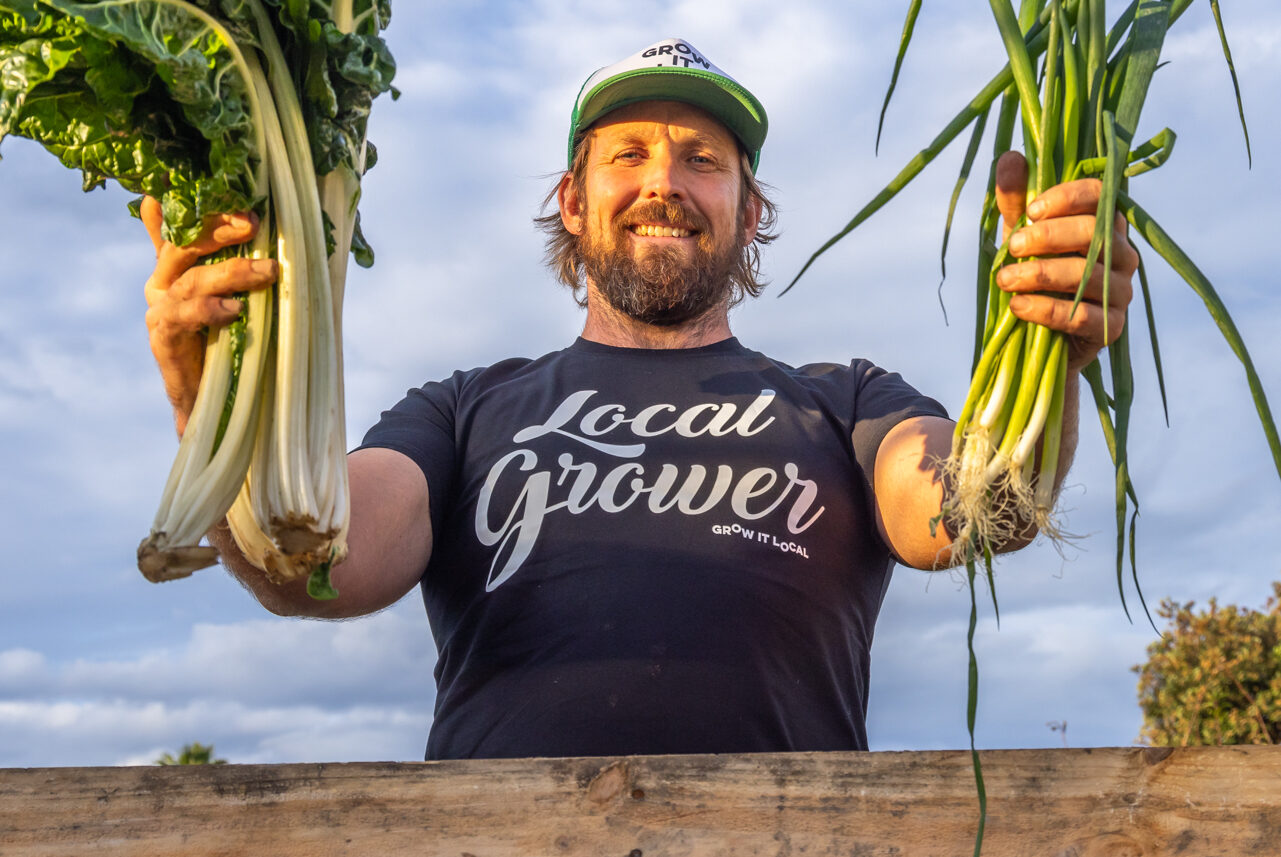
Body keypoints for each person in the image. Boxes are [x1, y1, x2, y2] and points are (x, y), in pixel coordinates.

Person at [141, 37, 1137, 759]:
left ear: (749, 213)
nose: (665, 181)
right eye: (628, 155)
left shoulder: (847, 403)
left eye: (704, 162)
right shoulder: (459, 413)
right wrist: (209, 399)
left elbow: (974, 509)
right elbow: (318, 565)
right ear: (572, 202)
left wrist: (1052, 340)